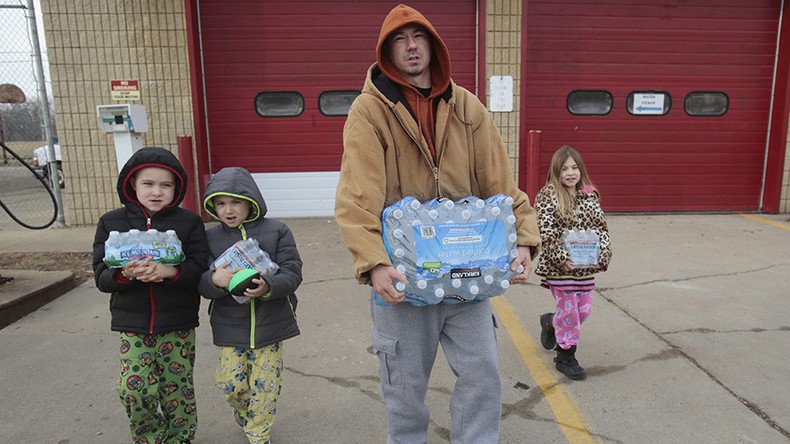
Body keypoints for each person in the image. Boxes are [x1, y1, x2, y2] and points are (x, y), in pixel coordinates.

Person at [334, 4, 541, 443]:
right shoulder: (368, 113)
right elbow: (357, 198)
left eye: (418, 37)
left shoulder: (466, 106)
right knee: (405, 390)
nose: (410, 47)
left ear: (433, 44)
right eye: (399, 40)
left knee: (483, 377)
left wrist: (524, 237)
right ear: (387, 50)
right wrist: (373, 262)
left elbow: (501, 183)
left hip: (469, 275)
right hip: (405, 282)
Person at [92, 146, 208, 443]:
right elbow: (102, 277)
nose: (157, 192)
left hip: (177, 323)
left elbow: (199, 268)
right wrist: (125, 274)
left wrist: (171, 272)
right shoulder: (111, 223)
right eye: (148, 183)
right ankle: (151, 437)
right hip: (132, 324)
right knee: (135, 388)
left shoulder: (189, 222)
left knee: (177, 388)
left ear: (176, 187)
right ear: (132, 184)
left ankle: (180, 438)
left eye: (165, 185)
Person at [198, 167, 302, 444]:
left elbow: (292, 272)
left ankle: (258, 433)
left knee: (265, 388)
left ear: (251, 201)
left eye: (236, 202)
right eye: (220, 203)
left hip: (271, 324)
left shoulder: (277, 231)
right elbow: (200, 283)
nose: (228, 210)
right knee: (230, 384)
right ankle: (246, 415)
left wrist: (269, 286)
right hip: (229, 326)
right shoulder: (210, 238)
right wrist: (215, 280)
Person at [534, 145, 612, 380]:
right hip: (561, 268)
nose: (570, 173)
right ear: (556, 171)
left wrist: (603, 254)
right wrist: (559, 257)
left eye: (574, 167)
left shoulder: (590, 194)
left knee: (583, 311)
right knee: (569, 313)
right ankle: (565, 356)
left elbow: (601, 227)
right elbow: (545, 229)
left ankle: (550, 324)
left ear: (581, 170)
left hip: (584, 266)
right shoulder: (548, 195)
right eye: (564, 168)